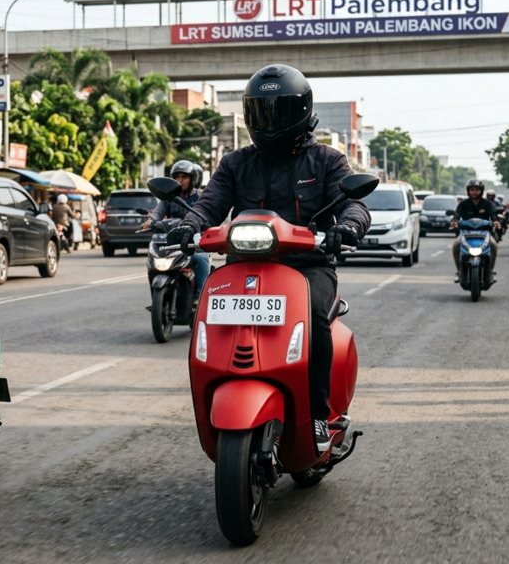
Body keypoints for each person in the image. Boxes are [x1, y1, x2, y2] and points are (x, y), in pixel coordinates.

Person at [166, 64, 370, 453]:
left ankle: (316, 416)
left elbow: (353, 205)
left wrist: (348, 227)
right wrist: (186, 225)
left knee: (314, 319)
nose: (269, 120)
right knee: (208, 320)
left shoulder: (327, 160)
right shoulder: (235, 163)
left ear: (300, 112)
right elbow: (209, 205)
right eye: (261, 112)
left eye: (277, 111)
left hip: (307, 266)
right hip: (245, 265)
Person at [141, 160, 210, 301]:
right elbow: (157, 213)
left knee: (201, 259)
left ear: (192, 179)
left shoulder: (200, 196)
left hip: (194, 241)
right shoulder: (168, 196)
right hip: (173, 242)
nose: (180, 180)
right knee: (152, 260)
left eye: (184, 177)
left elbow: (208, 212)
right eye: (176, 177)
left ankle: (199, 298)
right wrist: (150, 222)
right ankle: (157, 297)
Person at [450, 179, 500, 281]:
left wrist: (496, 222)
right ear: (468, 191)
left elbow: (493, 216)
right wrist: (454, 221)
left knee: (494, 245)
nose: (474, 192)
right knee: (455, 245)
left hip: (485, 233)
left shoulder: (488, 204)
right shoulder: (463, 204)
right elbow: (456, 216)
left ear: (481, 191)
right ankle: (459, 271)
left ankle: (490, 270)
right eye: (472, 190)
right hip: (466, 233)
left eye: (477, 190)